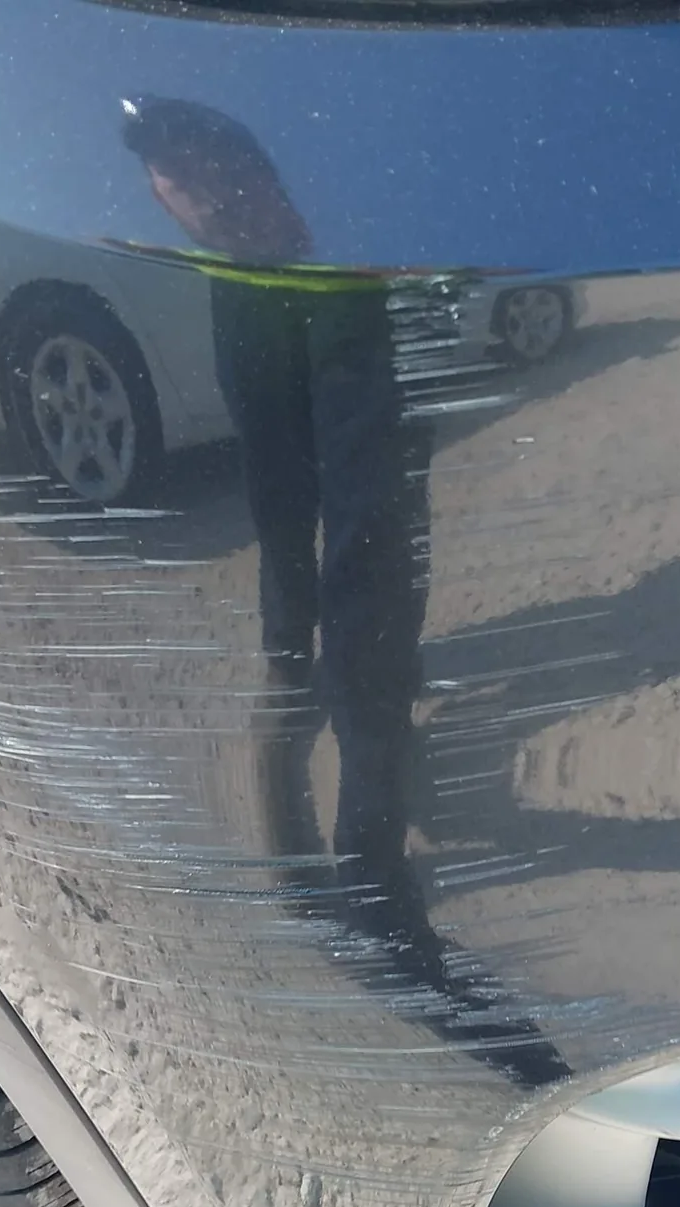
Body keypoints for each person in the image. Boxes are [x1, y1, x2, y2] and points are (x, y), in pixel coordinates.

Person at [120, 96, 566, 1088]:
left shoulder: (323, 148)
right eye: (171, 176)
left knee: (369, 539)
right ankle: (295, 708)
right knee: (280, 507)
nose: (184, 187)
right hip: (253, 286)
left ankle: (368, 848)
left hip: (358, 266)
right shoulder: (208, 180)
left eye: (197, 171)